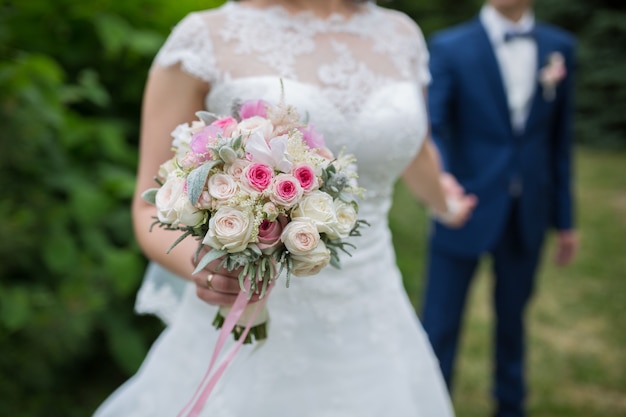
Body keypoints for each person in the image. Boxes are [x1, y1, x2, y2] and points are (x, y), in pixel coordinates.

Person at [93, 0, 477, 416]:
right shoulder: (203, 38)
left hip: (371, 310)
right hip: (250, 311)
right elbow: (148, 208)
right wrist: (205, 267)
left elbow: (414, 146)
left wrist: (444, 201)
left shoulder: (401, 35)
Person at [421, 1, 578, 416]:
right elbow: (431, 127)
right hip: (463, 205)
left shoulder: (559, 47)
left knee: (513, 323)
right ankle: (431, 405)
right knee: (440, 323)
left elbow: (560, 143)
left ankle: (511, 406)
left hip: (529, 208)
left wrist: (565, 219)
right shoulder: (451, 46)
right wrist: (444, 187)